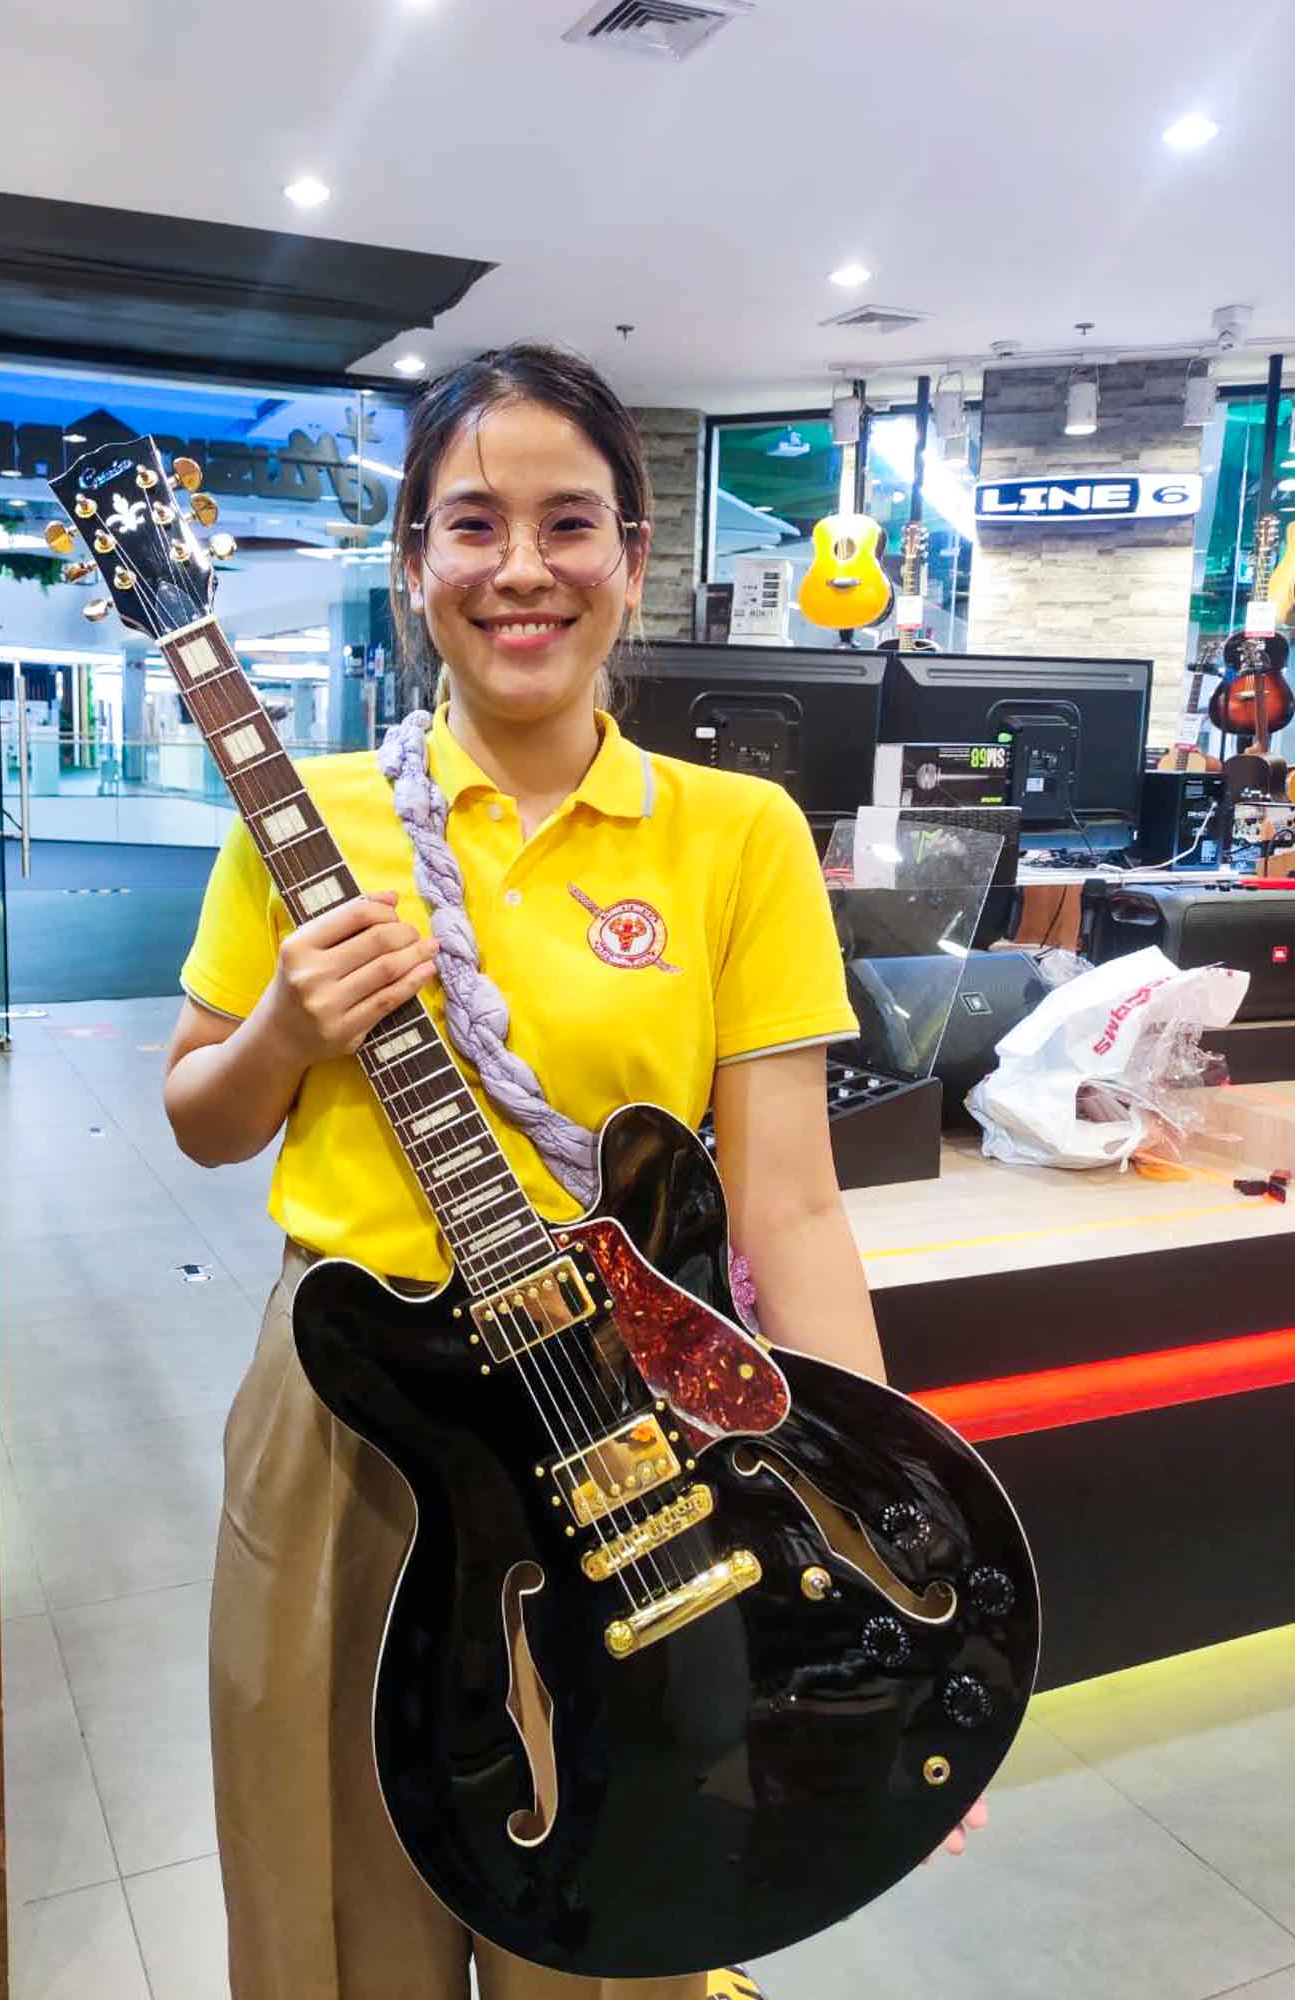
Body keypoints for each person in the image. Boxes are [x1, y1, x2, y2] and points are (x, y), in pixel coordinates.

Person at [163, 342, 986, 2000]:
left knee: (628, 1894)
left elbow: (790, 1203)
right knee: (329, 1895)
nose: (521, 568)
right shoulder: (307, 817)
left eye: (568, 522)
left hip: (636, 1433)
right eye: (474, 524)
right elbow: (203, 1116)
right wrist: (285, 1030)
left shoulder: (735, 834)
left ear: (631, 556)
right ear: (414, 561)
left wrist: (896, 1531)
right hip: (352, 1427)